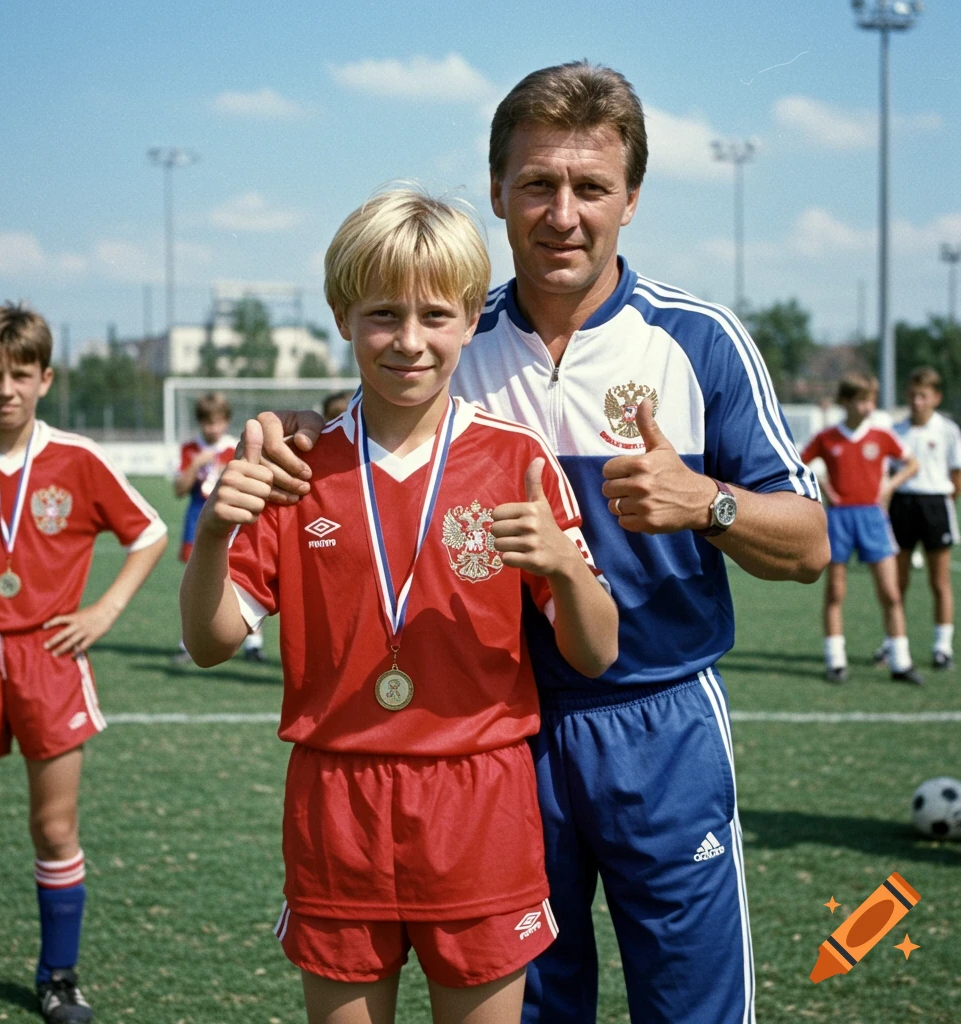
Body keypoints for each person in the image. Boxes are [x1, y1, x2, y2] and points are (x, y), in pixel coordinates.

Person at [255, 62, 830, 1024]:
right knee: (533, 1010)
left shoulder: (700, 340)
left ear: (631, 200)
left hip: (661, 721)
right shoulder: (451, 335)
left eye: (591, 187)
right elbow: (349, 440)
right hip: (499, 738)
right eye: (537, 184)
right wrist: (288, 425)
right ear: (498, 193)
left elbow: (810, 543)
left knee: (691, 1003)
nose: (563, 213)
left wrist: (708, 504)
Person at [180, 188, 618, 1024]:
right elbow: (209, 642)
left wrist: (566, 567)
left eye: (435, 316)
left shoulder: (516, 458)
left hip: (478, 799)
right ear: (344, 317)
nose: (410, 342)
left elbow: (596, 651)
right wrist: (211, 536)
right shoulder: (296, 467)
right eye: (384, 315)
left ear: (466, 320)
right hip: (335, 800)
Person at [0, 304, 168, 1023]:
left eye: (21, 374)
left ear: (45, 378)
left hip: (48, 658)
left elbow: (150, 532)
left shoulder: (77, 458)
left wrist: (103, 613)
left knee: (55, 828)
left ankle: (59, 976)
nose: (6, 388)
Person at [801, 373, 920, 685]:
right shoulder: (827, 437)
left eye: (871, 400)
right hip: (839, 518)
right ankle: (836, 660)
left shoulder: (881, 436)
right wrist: (824, 486)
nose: (869, 407)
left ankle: (900, 661)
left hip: (873, 517)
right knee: (836, 590)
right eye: (862, 400)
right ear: (846, 402)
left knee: (891, 593)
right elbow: (798, 463)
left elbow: (912, 464)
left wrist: (890, 487)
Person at [173, 392, 264, 663]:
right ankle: (188, 640)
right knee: (196, 577)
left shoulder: (235, 447)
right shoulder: (189, 449)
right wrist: (194, 466)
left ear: (225, 421)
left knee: (246, 576)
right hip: (196, 519)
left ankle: (254, 643)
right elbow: (178, 489)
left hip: (233, 519)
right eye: (206, 422)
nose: (212, 428)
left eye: (217, 422)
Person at [887, 367, 961, 670]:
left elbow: (956, 475)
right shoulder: (897, 430)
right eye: (913, 395)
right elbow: (891, 472)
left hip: (934, 506)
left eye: (924, 396)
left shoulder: (948, 430)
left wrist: (943, 501)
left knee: (939, 581)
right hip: (902, 504)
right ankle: (893, 643)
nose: (917, 401)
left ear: (935, 398)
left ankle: (942, 646)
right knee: (897, 582)